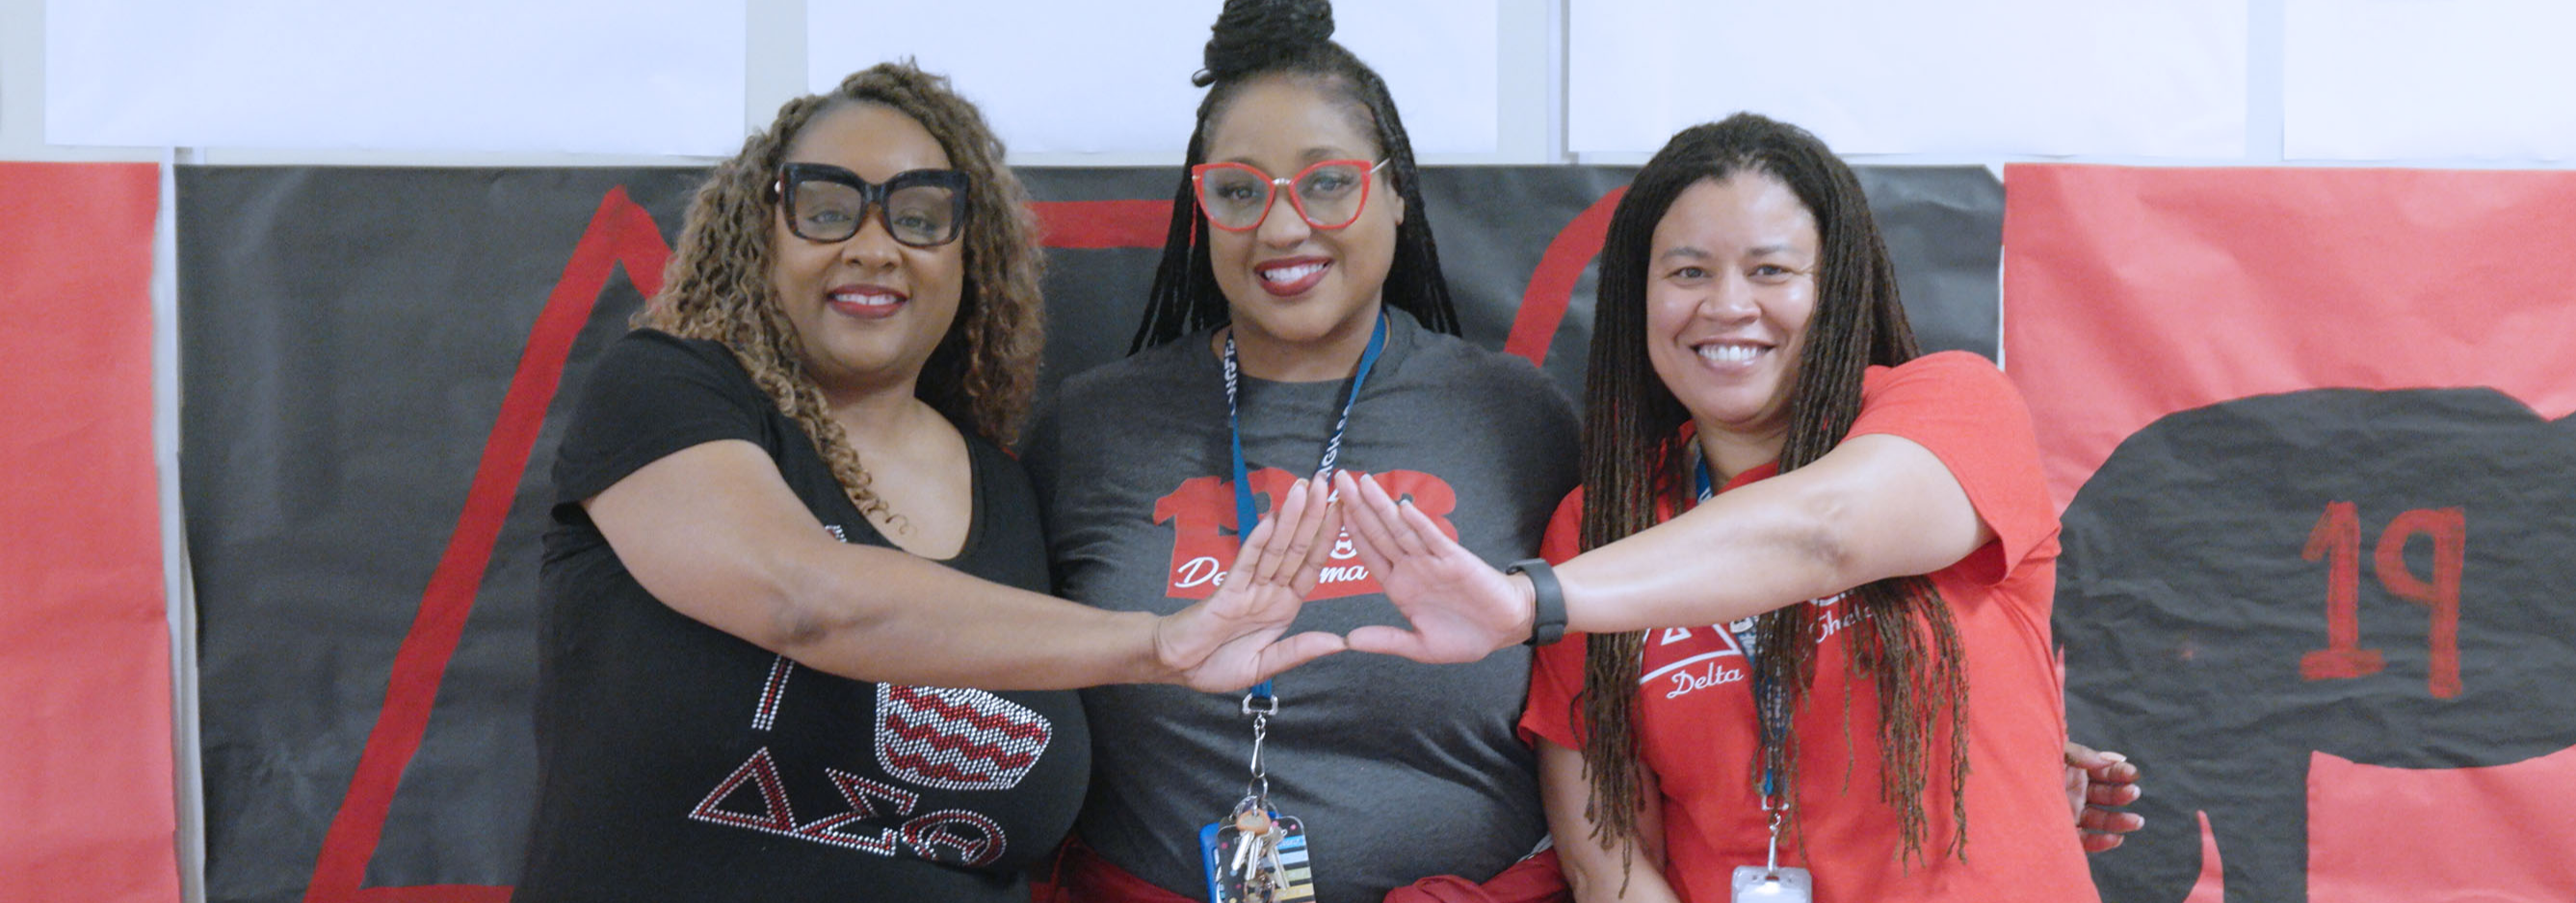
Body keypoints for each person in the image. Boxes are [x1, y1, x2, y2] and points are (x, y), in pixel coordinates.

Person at [512, 63, 1349, 903]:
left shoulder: (1011, 494)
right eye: (828, 209)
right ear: (763, 230)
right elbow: (800, 596)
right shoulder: (666, 390)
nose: (874, 247)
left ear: (968, 256)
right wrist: (1157, 645)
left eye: (919, 217)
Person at [1331, 112, 2108, 902]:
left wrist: (1530, 599)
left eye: (1771, 270)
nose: (1727, 306)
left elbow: (1824, 533)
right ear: (1641, 295)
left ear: (1836, 288)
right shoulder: (1598, 523)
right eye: (1688, 272)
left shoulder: (1955, 406)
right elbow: (1609, 855)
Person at [1020, 2, 1583, 900]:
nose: (1283, 229)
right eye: (1241, 191)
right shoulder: (1089, 428)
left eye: (1328, 183)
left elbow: (1596, 706)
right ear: (1202, 209)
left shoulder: (1518, 418)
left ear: (1396, 190)